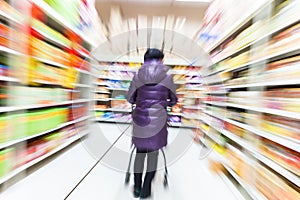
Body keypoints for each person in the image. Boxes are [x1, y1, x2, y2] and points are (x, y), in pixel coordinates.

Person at [126, 48, 178, 199]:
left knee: (140, 153)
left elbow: (130, 99)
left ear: (145, 60)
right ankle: (146, 190)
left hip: (141, 121)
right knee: (153, 155)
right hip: (159, 122)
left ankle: (136, 187)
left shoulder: (137, 76)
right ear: (161, 60)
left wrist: (141, 101)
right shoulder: (167, 78)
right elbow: (174, 100)